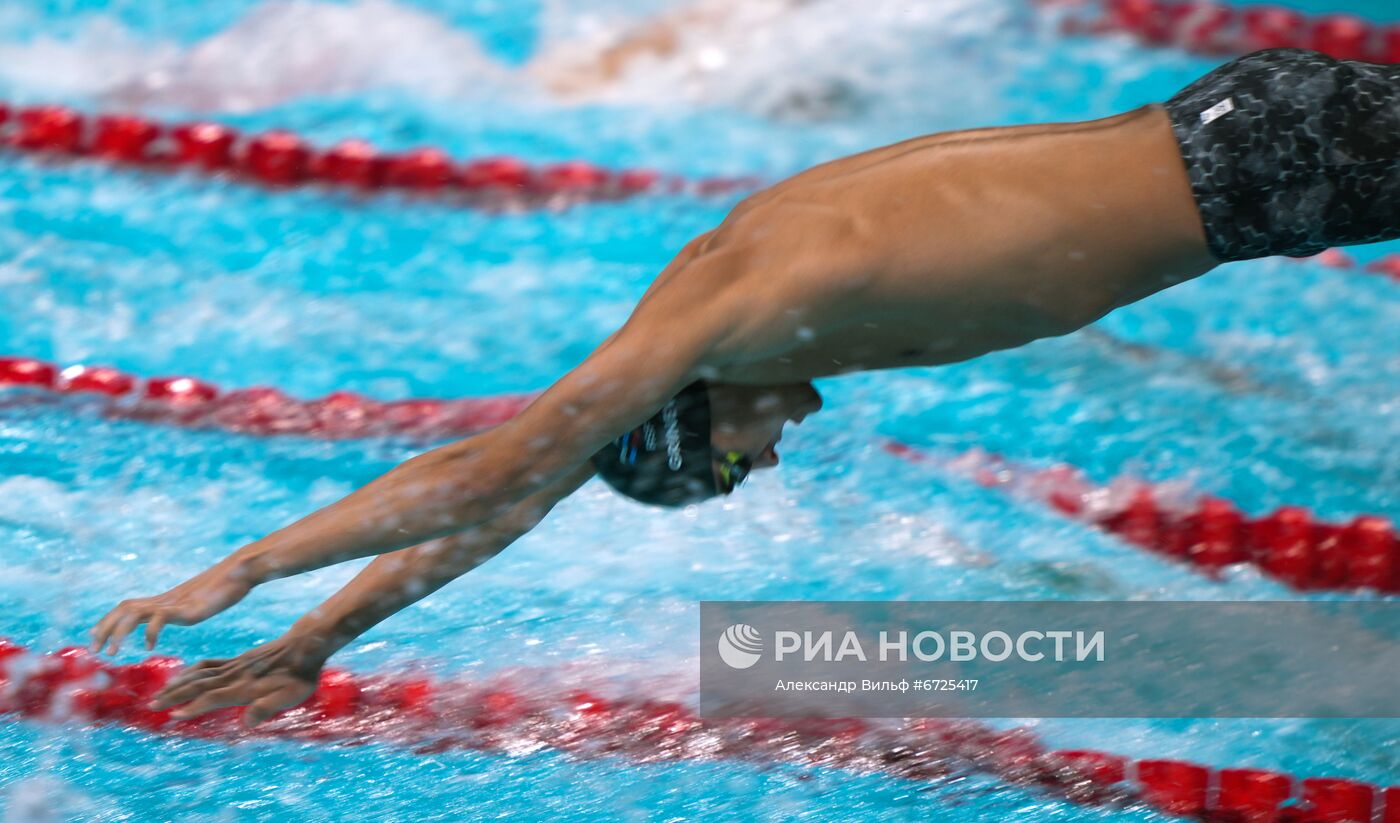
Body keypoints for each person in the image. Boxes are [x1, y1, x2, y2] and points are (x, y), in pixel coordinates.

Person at [91, 49, 1400, 726]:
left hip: (1264, 166)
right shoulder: (699, 304)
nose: (768, 462)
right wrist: (312, 649)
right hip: (1240, 136)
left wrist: (239, 572)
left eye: (732, 465)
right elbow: (513, 510)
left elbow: (487, 471)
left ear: (694, 419)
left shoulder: (741, 313)